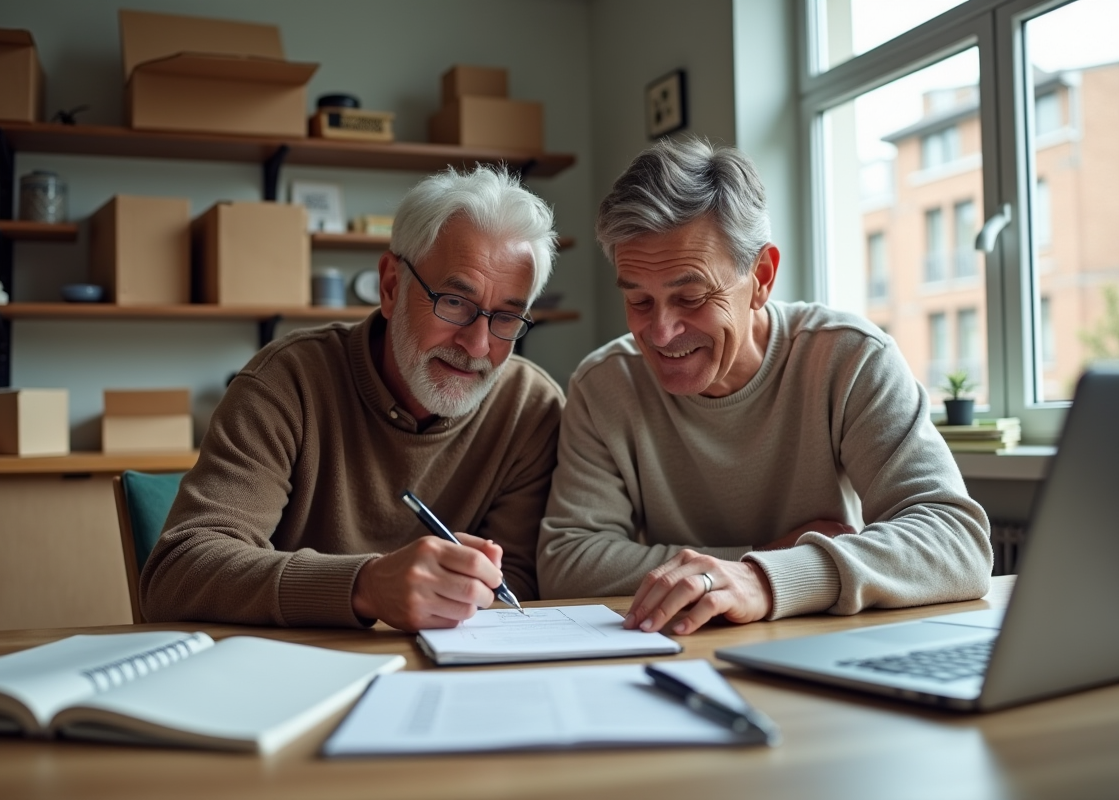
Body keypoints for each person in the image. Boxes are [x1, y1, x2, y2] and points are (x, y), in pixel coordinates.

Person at [537, 136, 992, 635]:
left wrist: (763, 581)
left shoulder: (850, 357)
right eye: (639, 302)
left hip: (817, 644)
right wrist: (763, 562)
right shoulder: (604, 384)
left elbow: (957, 542)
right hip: (676, 651)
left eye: (690, 297)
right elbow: (567, 564)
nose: (661, 332)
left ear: (762, 277)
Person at [141, 166, 564, 632]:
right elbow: (176, 573)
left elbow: (522, 587)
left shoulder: (532, 409)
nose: (478, 345)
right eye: (454, 302)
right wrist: (365, 585)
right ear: (390, 287)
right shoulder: (286, 382)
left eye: (506, 318)